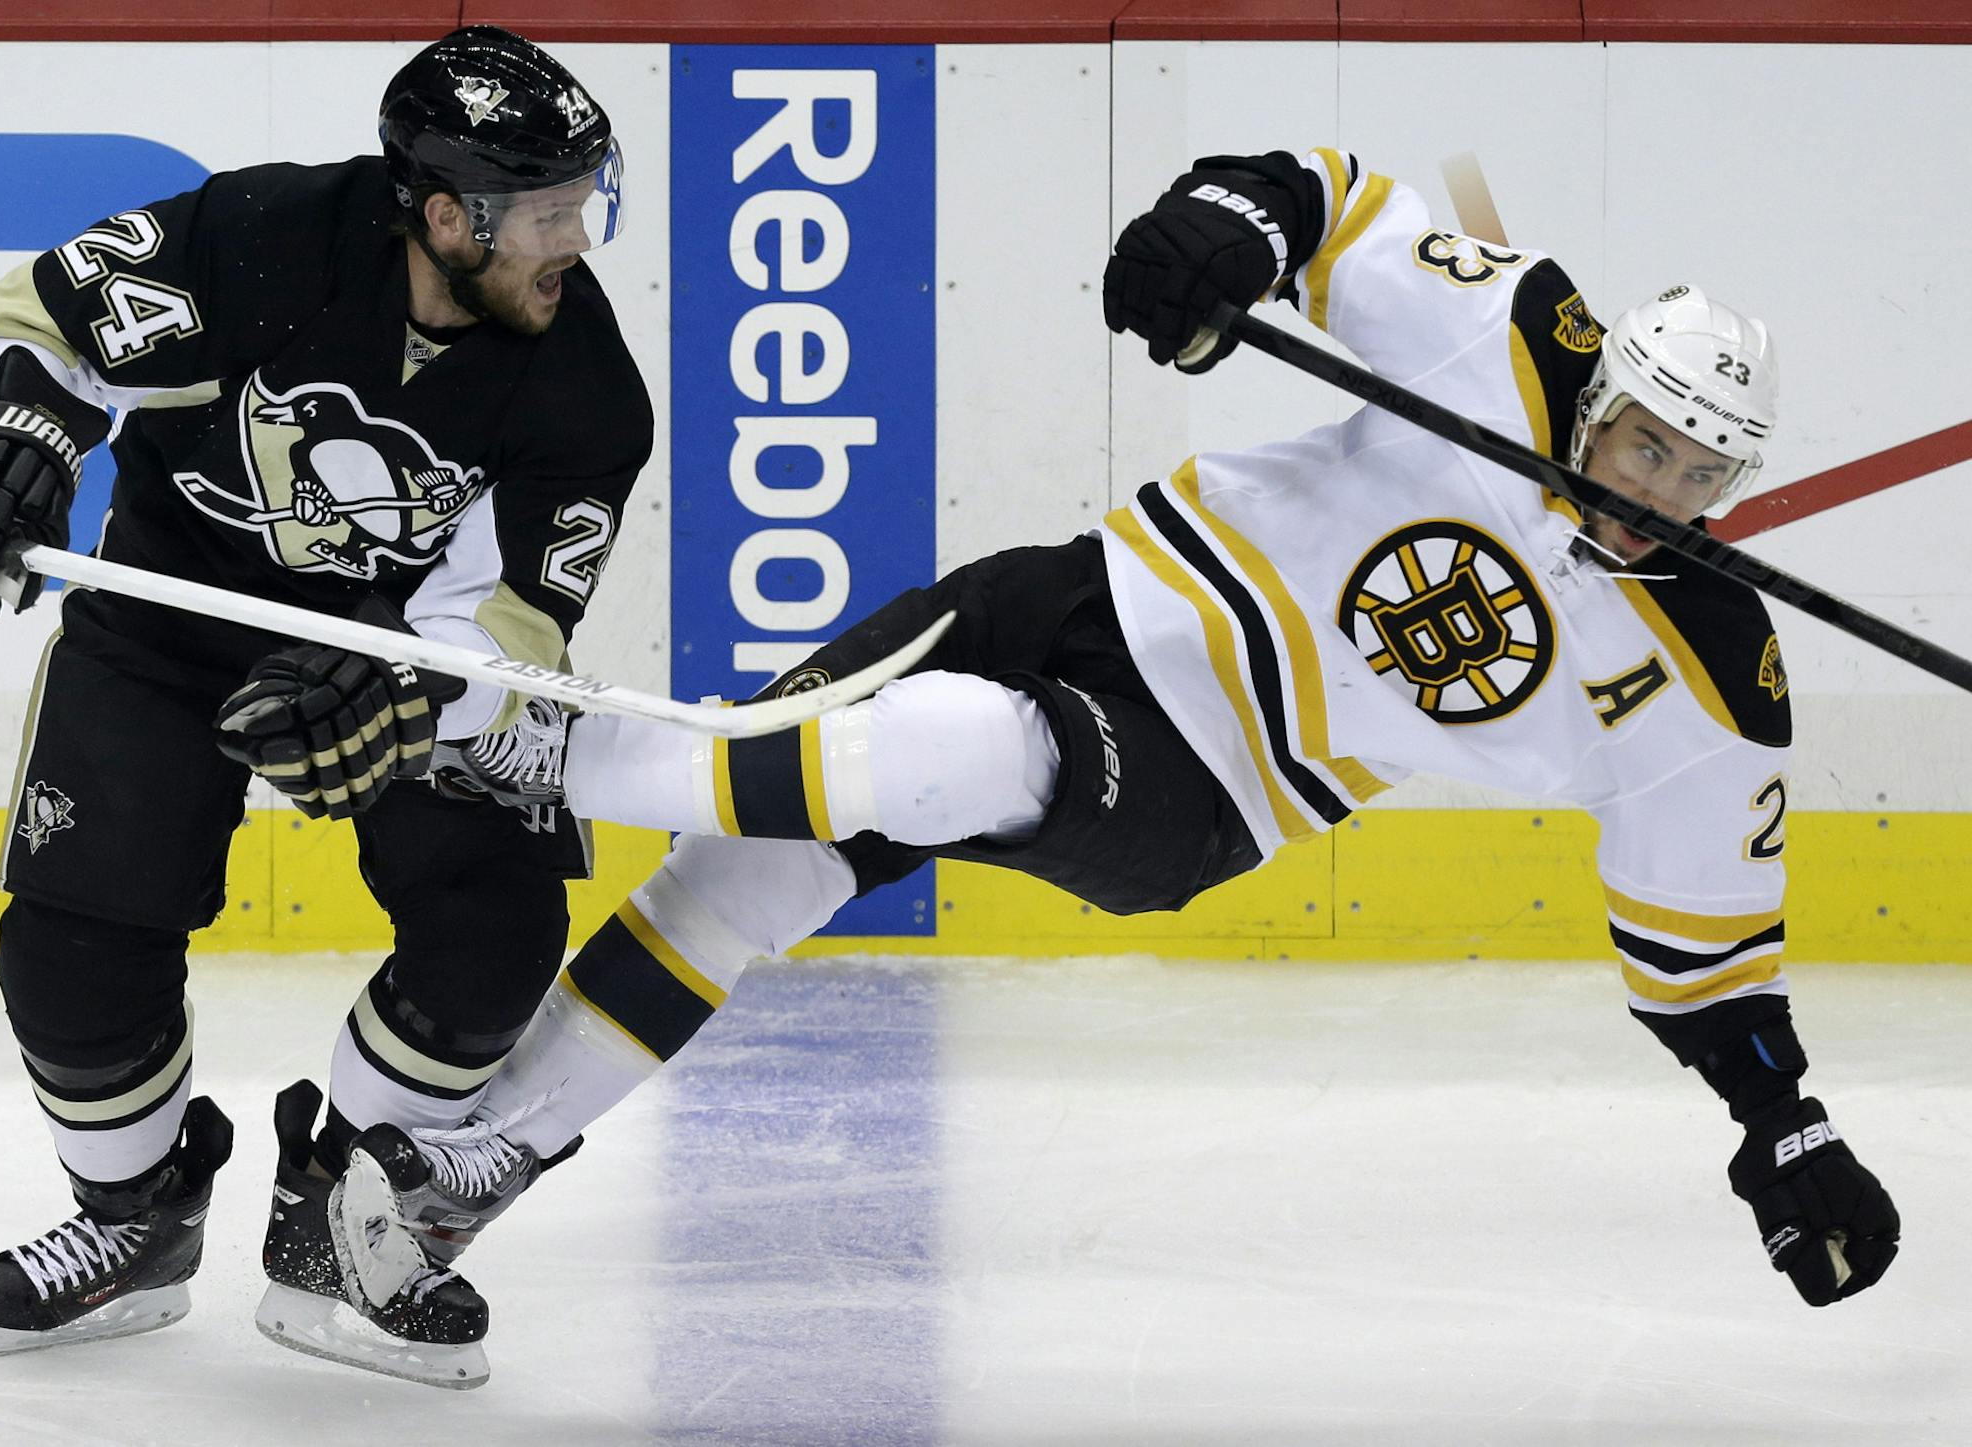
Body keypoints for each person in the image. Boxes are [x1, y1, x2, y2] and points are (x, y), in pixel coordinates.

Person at [327, 146, 1903, 1355]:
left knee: (949, 748)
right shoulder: (1517, 330)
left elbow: (1709, 946)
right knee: (749, 860)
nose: (1658, 484)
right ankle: (479, 1168)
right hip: (1080, 594)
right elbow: (1324, 203)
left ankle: (542, 757)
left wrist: (1786, 1131)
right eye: (1644, 440)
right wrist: (1222, 234)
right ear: (1606, 390)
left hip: (1211, 784)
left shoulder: (1711, 671)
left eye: (1700, 474)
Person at [0, 26, 652, 1388]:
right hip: (167, 621)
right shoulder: (260, 235)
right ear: (442, 212)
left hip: (394, 658)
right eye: (545, 209)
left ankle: (345, 1226)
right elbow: (38, 320)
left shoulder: (587, 391)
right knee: (69, 940)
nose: (576, 237)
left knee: (495, 925)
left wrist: (412, 699)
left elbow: (510, 631)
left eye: (583, 200)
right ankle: (137, 1213)